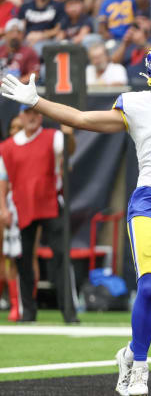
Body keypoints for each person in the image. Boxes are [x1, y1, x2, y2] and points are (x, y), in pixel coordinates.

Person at [1, 38, 151, 396]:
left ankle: (131, 352)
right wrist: (37, 102)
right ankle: (139, 366)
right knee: (150, 286)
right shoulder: (137, 104)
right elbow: (80, 118)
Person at [0, 104, 77, 324]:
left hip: (50, 202)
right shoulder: (7, 147)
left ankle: (69, 312)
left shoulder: (53, 137)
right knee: (22, 259)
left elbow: (69, 151)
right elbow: (3, 180)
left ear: (41, 116)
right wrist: (3, 209)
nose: (32, 117)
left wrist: (69, 135)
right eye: (28, 113)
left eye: (35, 113)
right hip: (21, 206)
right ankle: (28, 313)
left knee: (61, 255)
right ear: (21, 116)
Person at [0, 116, 23, 322]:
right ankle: (13, 303)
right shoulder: (5, 150)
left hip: (25, 205)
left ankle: (24, 303)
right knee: (7, 255)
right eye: (12, 127)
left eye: (19, 127)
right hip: (9, 206)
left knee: (25, 255)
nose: (15, 131)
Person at [0, 18, 40, 83]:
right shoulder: (1, 49)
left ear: (23, 35)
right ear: (6, 34)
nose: (15, 35)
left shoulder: (29, 52)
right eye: (12, 31)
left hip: (20, 89)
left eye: (18, 32)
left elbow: (34, 74)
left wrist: (15, 84)